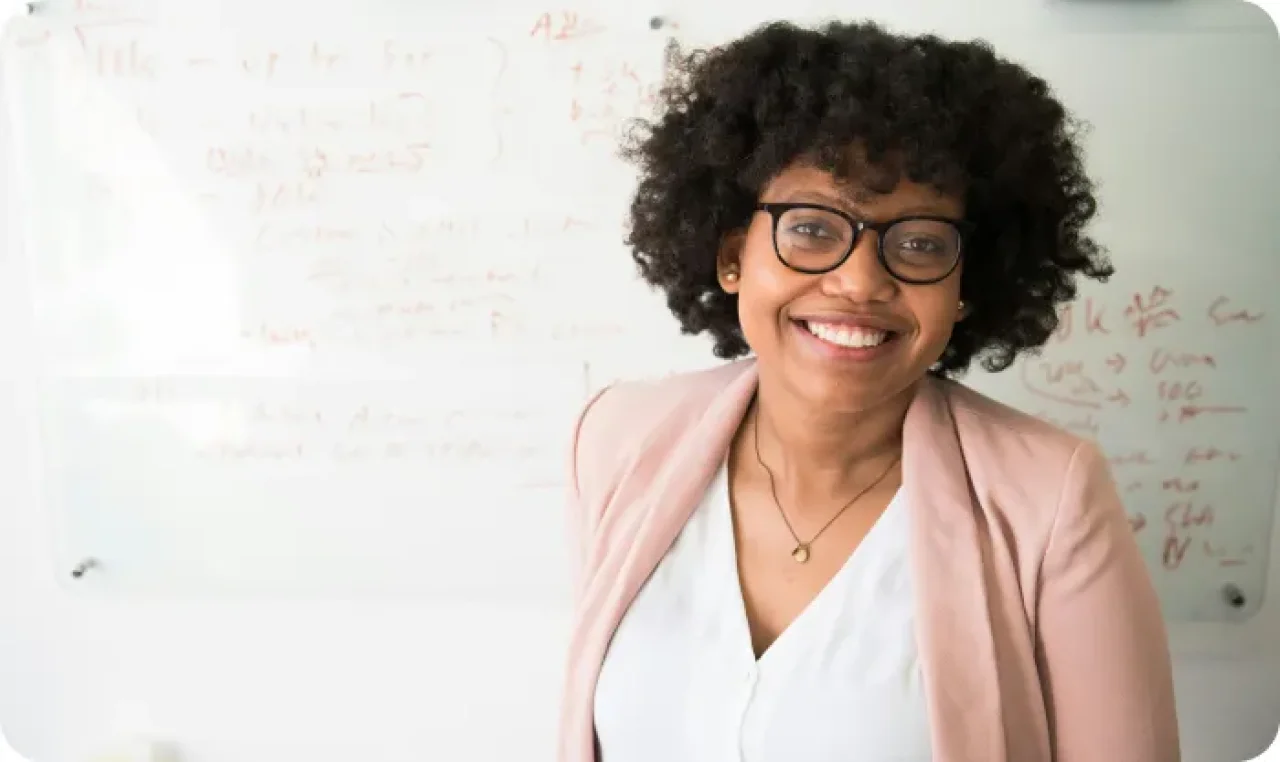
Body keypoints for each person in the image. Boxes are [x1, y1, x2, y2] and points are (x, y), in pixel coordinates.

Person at [557, 19, 1179, 762]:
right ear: (732, 256)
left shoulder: (1050, 500)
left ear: (966, 285)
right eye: (813, 228)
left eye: (918, 242)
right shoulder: (617, 440)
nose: (859, 281)